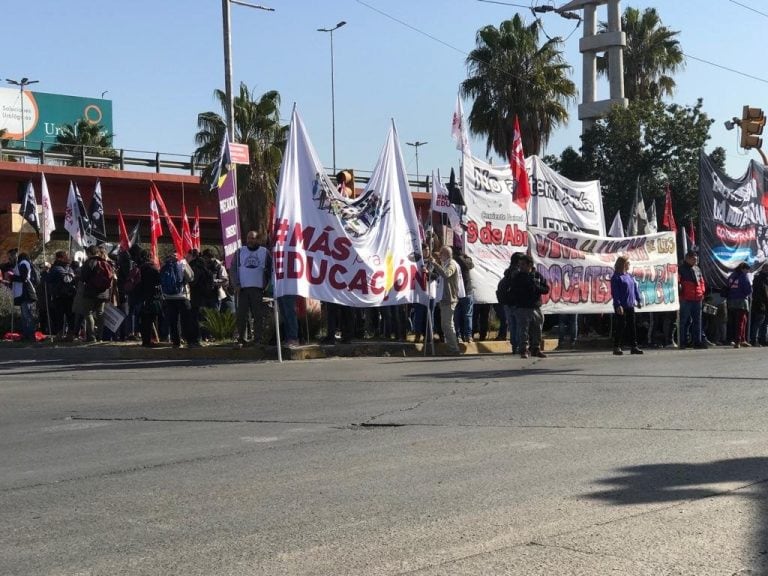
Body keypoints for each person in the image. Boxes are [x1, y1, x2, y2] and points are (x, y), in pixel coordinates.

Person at [231, 231, 271, 348]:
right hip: (242, 289)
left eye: (253, 238)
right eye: (248, 238)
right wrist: (236, 284)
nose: (250, 240)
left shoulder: (264, 252)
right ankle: (241, 339)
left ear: (257, 239)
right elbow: (233, 269)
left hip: (258, 289)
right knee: (241, 315)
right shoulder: (240, 252)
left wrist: (267, 285)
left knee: (258, 315)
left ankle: (258, 339)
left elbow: (270, 269)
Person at [510, 255, 549, 359]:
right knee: (523, 330)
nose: (521, 267)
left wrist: (536, 286)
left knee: (537, 329)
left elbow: (546, 289)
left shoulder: (537, 276)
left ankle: (535, 349)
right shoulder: (518, 276)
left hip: (535, 307)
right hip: (522, 307)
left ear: (529, 265)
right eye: (520, 265)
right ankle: (523, 350)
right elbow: (513, 290)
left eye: (523, 264)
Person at [161, 251, 197, 348]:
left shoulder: (165, 263)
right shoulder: (182, 262)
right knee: (186, 319)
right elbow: (191, 277)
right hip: (182, 296)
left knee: (173, 320)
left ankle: (176, 342)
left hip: (169, 296)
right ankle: (189, 341)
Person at [430, 245, 462, 355]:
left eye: (441, 254)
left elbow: (446, 274)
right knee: (446, 325)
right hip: (445, 298)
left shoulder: (451, 264)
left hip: (449, 298)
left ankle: (454, 349)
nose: (439, 257)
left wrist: (435, 264)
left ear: (446, 254)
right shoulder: (446, 263)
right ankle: (452, 347)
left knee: (447, 325)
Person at [79, 246, 114, 342]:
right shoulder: (105, 262)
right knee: (100, 313)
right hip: (103, 293)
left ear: (89, 253)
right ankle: (100, 336)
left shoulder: (89, 263)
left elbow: (83, 278)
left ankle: (91, 336)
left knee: (88, 313)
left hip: (90, 292)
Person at [610, 255, 643, 356]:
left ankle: (634, 346)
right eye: (628, 263)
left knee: (632, 326)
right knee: (620, 326)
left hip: (630, 305)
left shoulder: (629, 276)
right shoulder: (616, 277)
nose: (629, 265)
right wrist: (618, 305)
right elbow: (615, 293)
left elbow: (635, 289)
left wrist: (638, 300)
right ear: (623, 264)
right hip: (621, 306)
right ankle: (617, 346)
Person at [3, 251, 37, 341]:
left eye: (11, 257)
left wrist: (12, 277)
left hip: (26, 293)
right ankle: (26, 335)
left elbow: (23, 278)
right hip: (23, 293)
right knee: (24, 316)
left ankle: (30, 336)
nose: (10, 259)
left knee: (27, 315)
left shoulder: (23, 263)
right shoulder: (20, 264)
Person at [678, 250, 708, 349]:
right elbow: (678, 283)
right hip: (686, 298)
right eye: (694, 259)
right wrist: (681, 293)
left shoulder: (697, 269)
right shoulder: (681, 269)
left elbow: (702, 281)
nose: (696, 261)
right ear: (687, 258)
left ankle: (697, 341)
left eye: (696, 259)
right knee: (684, 321)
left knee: (697, 321)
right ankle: (682, 341)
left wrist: (702, 292)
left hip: (697, 298)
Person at [133, 249, 162, 348]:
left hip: (139, 298)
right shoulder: (153, 269)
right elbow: (159, 282)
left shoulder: (138, 268)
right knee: (150, 320)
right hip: (151, 297)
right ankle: (148, 340)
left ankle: (145, 340)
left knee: (143, 320)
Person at [46, 250, 77, 341]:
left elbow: (48, 279)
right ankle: (66, 334)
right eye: (66, 256)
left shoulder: (57, 268)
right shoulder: (66, 268)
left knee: (62, 316)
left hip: (62, 296)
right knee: (67, 316)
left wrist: (45, 273)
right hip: (65, 295)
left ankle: (63, 334)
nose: (68, 258)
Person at [725, 261, 752, 348]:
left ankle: (741, 339)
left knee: (736, 321)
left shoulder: (732, 276)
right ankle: (738, 340)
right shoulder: (743, 276)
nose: (748, 272)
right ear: (744, 269)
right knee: (741, 321)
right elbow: (748, 289)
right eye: (747, 270)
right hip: (741, 301)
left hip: (732, 301)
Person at [453, 247, 474, 343]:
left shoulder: (463, 259)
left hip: (466, 291)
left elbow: (468, 266)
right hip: (458, 291)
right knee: (459, 315)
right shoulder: (454, 260)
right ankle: (460, 335)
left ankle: (467, 335)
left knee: (465, 315)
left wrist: (459, 257)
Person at [750, 264, 768, 346]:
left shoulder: (763, 278)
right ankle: (754, 339)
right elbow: (761, 292)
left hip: (763, 303)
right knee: (759, 322)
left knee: (764, 323)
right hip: (760, 303)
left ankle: (762, 339)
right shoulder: (759, 278)